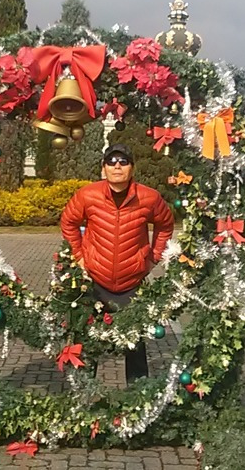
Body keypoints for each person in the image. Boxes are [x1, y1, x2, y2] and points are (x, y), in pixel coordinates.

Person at [59, 143, 174, 381]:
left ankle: (137, 392)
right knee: (88, 341)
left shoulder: (149, 198)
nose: (117, 166)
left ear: (132, 168)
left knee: (134, 343)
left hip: (132, 281)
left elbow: (165, 225)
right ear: (104, 168)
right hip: (95, 280)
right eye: (111, 161)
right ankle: (83, 392)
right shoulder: (87, 195)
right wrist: (79, 255)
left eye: (123, 161)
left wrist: (153, 257)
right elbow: (69, 222)